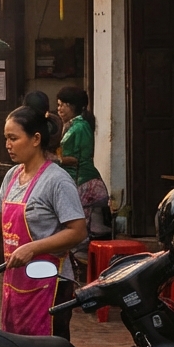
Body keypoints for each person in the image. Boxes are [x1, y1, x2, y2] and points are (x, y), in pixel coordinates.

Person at [0, 106, 86, 337]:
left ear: (36, 139)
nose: (7, 145)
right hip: (16, 283)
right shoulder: (12, 176)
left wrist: (33, 247)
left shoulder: (57, 180)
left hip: (49, 284)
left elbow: (78, 231)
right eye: (6, 139)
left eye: (13, 138)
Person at [57, 87, 110, 238]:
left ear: (71, 106)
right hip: (77, 181)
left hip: (85, 183)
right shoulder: (71, 126)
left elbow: (79, 159)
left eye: (62, 105)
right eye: (58, 105)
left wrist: (57, 160)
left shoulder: (81, 127)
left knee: (81, 231)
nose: (59, 109)